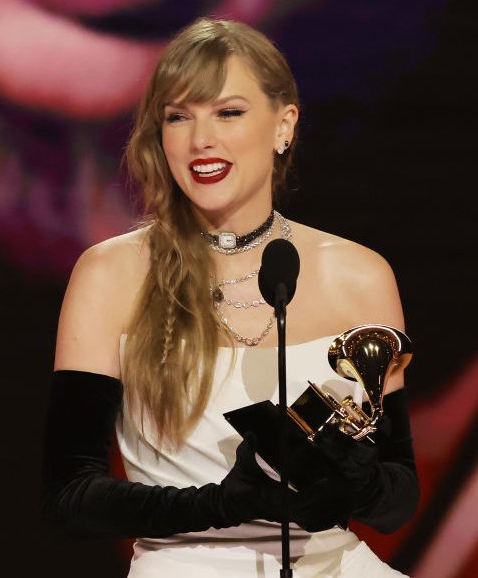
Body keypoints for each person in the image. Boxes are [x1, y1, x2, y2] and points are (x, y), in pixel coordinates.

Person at [41, 17, 418, 577]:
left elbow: (398, 500)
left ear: (283, 125)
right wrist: (223, 505)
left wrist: (355, 483)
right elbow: (68, 495)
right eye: (178, 117)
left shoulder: (359, 276)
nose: (200, 140)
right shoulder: (110, 275)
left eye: (229, 112)